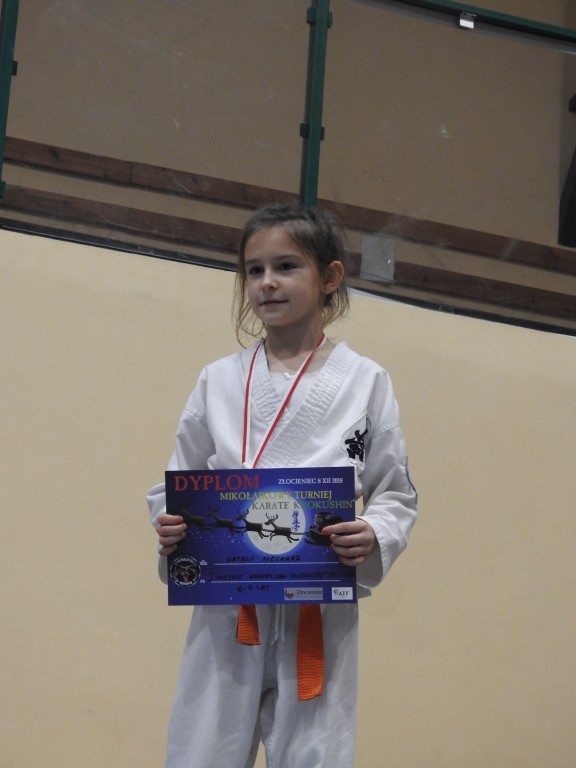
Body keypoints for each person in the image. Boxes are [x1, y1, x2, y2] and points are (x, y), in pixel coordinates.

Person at [147, 203, 418, 768]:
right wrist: (171, 524)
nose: (267, 282)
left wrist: (374, 532)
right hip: (228, 606)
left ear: (330, 278)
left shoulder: (366, 381)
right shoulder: (218, 380)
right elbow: (176, 482)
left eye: (286, 266)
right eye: (254, 270)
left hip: (316, 609)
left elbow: (395, 490)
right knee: (204, 749)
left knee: (314, 753)